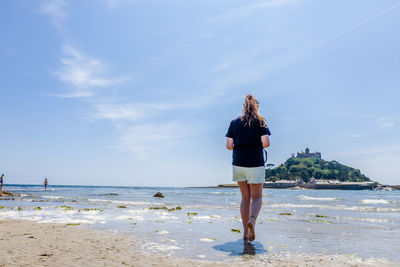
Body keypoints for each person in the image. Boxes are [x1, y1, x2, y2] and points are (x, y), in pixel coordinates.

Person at [225, 94, 270, 242]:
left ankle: (245, 233)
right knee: (257, 197)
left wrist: (240, 150)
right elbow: (266, 142)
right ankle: (252, 220)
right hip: (255, 162)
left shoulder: (234, 122)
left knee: (245, 198)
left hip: (238, 162)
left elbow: (229, 146)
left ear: (244, 106)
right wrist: (255, 147)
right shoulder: (260, 120)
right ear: (256, 106)